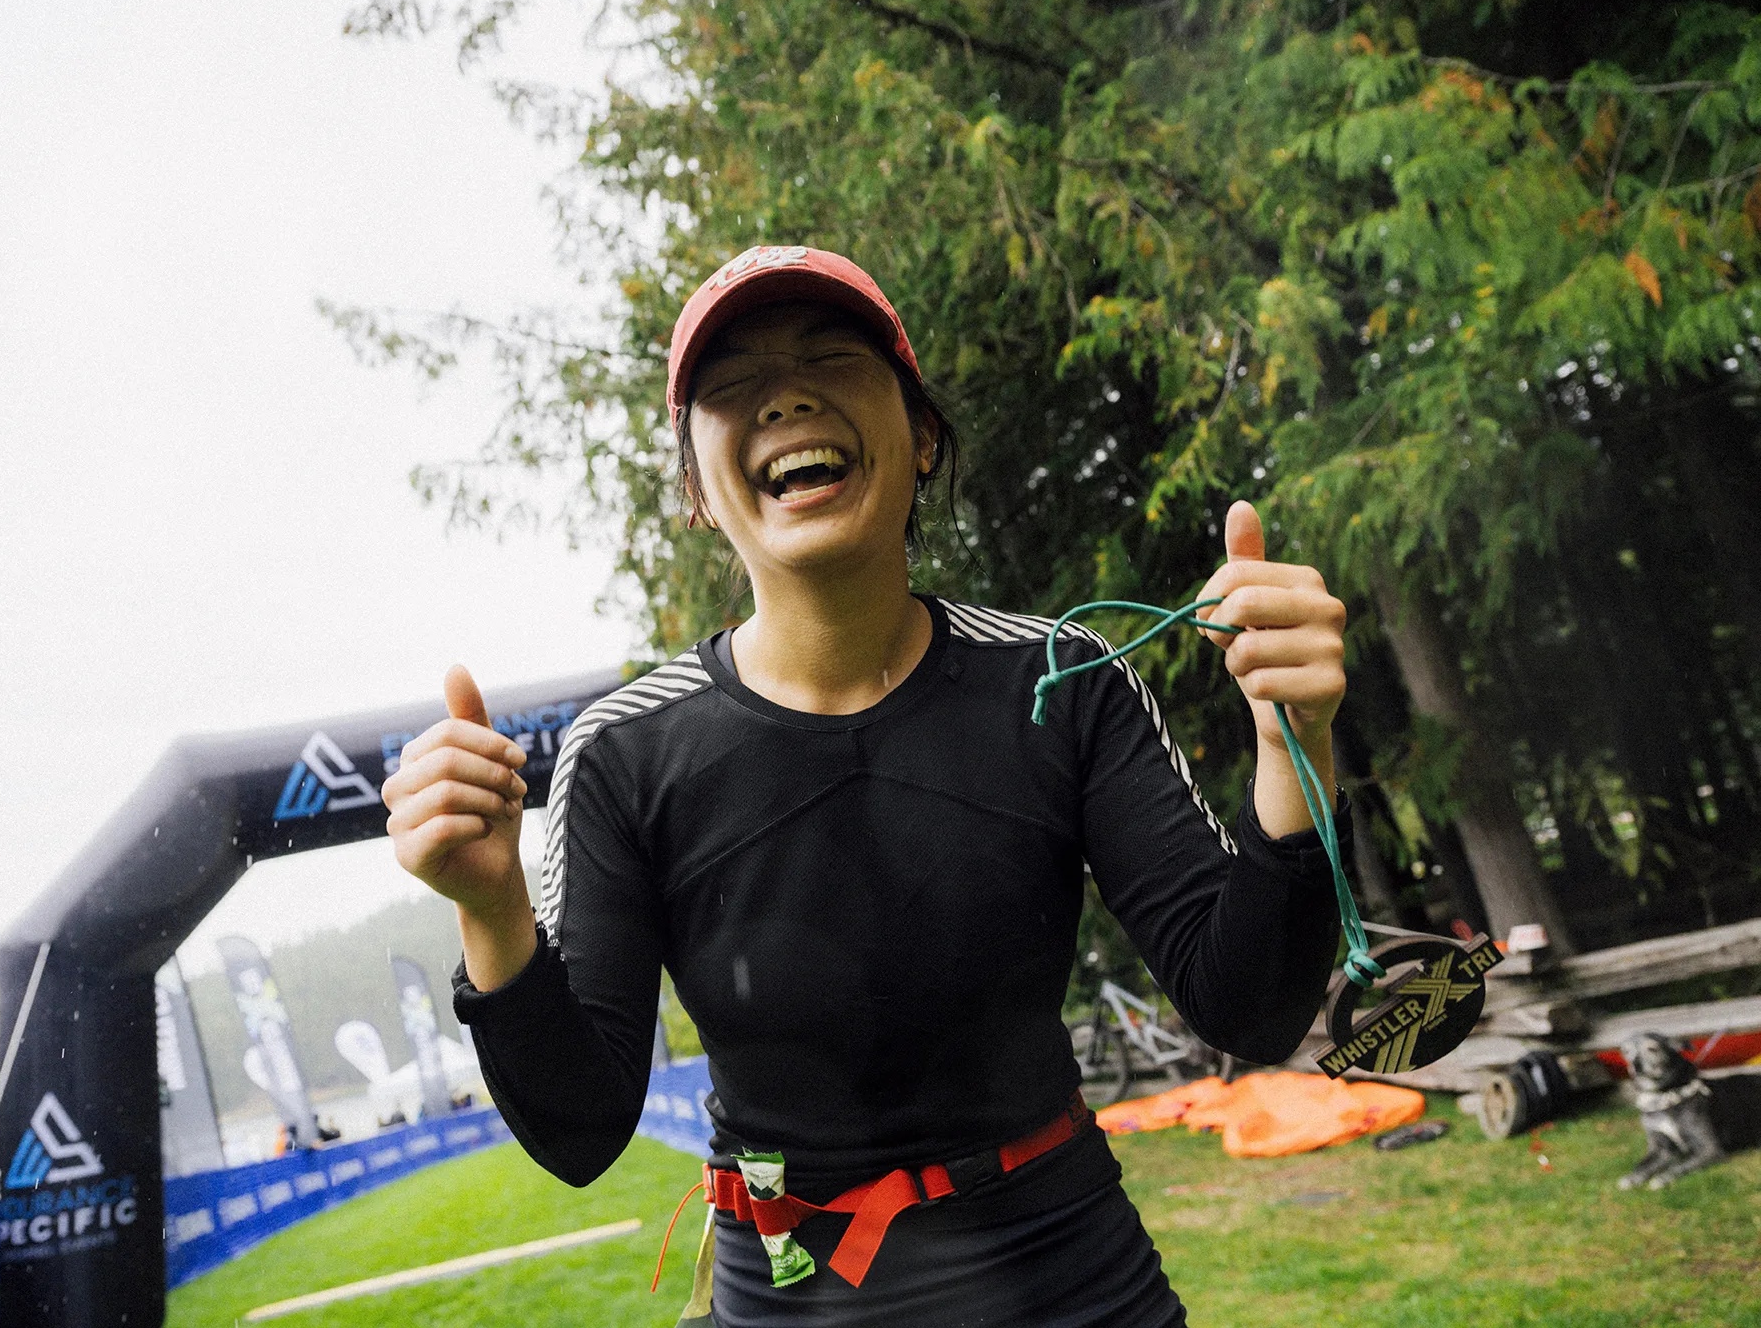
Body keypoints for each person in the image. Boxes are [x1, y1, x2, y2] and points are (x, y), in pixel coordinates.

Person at [383, 246, 1352, 1326]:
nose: (786, 394)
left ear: (922, 431)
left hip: (1076, 1287)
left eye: (831, 357)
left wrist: (1291, 749)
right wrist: (490, 909)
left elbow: (1252, 1008)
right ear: (697, 492)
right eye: (733, 384)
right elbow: (578, 1130)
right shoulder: (625, 754)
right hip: (791, 1296)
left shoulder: (1060, 681)